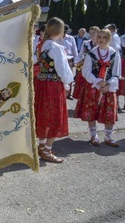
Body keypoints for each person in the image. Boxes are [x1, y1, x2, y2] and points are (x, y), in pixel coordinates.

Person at [34, 17, 74, 163]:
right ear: (60, 31)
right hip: (53, 87)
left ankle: (42, 146)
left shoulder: (45, 45)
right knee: (54, 117)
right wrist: (68, 83)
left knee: (45, 116)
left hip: (43, 85)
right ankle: (47, 150)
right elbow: (63, 70)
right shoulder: (56, 48)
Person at [73, 28, 121, 147]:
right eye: (99, 37)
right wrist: (98, 82)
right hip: (94, 87)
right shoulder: (92, 53)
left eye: (104, 37)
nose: (101, 40)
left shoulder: (114, 53)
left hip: (108, 88)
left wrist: (109, 85)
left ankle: (108, 136)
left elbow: (116, 73)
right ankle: (93, 135)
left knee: (109, 112)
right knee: (91, 111)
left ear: (109, 39)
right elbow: (86, 72)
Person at [73, 26, 100, 99]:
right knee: (83, 85)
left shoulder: (100, 44)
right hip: (85, 66)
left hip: (96, 68)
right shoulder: (86, 43)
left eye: (94, 32)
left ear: (98, 33)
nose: (91, 34)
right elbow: (80, 54)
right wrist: (78, 61)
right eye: (90, 33)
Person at [58, 24, 78, 100]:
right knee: (60, 76)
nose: (64, 33)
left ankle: (69, 94)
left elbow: (74, 50)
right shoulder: (57, 38)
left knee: (70, 76)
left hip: (69, 59)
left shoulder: (71, 38)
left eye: (65, 32)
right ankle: (61, 92)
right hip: (60, 59)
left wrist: (75, 61)